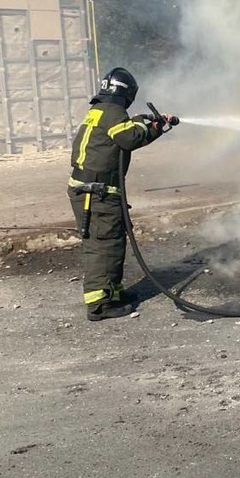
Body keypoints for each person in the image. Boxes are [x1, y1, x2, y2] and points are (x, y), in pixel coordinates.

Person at [68, 67, 177, 321]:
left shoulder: (100, 111)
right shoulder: (114, 112)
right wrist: (149, 125)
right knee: (102, 244)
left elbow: (125, 134)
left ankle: (112, 292)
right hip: (95, 193)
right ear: (126, 93)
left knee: (114, 241)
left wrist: (155, 126)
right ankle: (99, 305)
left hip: (96, 190)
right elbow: (130, 138)